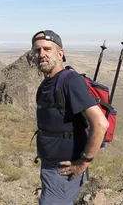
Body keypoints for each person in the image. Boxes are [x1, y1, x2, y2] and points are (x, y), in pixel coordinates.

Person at [31, 30, 109, 204]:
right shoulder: (46, 83)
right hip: (51, 168)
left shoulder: (69, 80)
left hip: (63, 173)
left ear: (60, 54)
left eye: (47, 49)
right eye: (36, 50)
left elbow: (100, 124)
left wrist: (84, 162)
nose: (41, 54)